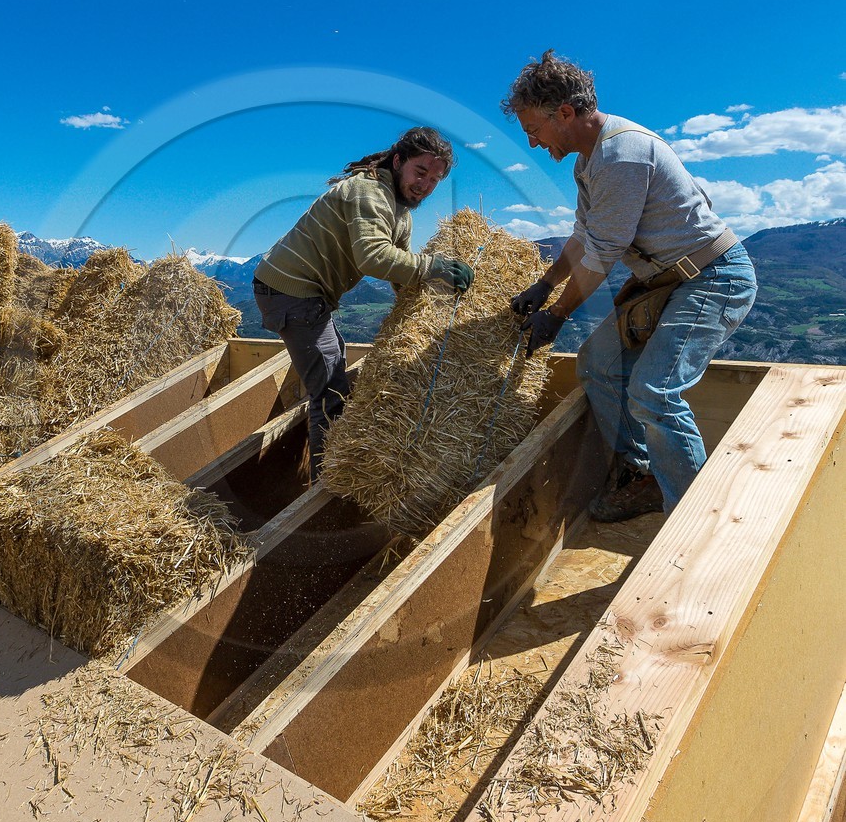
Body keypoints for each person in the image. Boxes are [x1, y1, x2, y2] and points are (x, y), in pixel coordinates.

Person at [502, 50, 757, 520]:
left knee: (654, 391)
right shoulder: (588, 162)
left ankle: (690, 521)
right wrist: (544, 284)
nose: (534, 144)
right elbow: (582, 238)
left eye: (533, 130)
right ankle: (642, 476)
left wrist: (557, 315)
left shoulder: (623, 154)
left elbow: (601, 252)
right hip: (668, 284)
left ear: (564, 113)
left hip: (712, 278)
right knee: (598, 363)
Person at [253, 126, 473, 477]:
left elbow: (399, 266)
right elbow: (374, 256)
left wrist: (423, 314)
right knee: (330, 394)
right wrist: (435, 267)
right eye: (420, 172)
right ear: (398, 161)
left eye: (434, 180)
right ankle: (327, 482)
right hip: (290, 291)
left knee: (333, 361)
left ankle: (322, 471)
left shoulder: (400, 211)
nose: (425, 185)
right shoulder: (369, 193)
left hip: (302, 293)